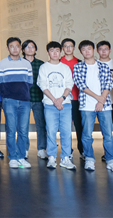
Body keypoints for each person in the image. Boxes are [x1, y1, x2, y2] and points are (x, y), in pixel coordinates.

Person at [73, 40, 113, 173]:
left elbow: (108, 83)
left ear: (93, 50)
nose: (87, 51)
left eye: (89, 48)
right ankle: (89, 159)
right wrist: (97, 98)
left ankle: (111, 160)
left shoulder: (103, 66)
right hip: (86, 105)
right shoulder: (78, 67)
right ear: (81, 52)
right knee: (87, 134)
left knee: (108, 134)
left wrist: (101, 100)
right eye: (84, 49)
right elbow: (81, 85)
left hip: (104, 105)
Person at [0, 37, 32, 169]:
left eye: (17, 46)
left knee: (23, 130)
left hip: (25, 101)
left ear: (20, 47)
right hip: (9, 101)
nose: (15, 49)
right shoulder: (2, 63)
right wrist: (7, 94)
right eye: (12, 46)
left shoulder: (26, 64)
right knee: (11, 130)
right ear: (7, 48)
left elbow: (30, 82)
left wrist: (22, 93)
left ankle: (21, 157)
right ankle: (13, 157)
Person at [37, 41, 75, 170]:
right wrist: (54, 100)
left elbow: (69, 84)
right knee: (51, 131)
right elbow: (43, 85)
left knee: (66, 132)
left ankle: (65, 158)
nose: (55, 53)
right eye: (52, 50)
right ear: (48, 52)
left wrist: (62, 98)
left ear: (60, 52)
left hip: (66, 104)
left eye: (57, 50)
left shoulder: (65, 68)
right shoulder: (44, 67)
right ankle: (52, 157)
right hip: (49, 104)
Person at [22, 39, 47, 160]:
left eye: (32, 47)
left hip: (38, 98)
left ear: (35, 49)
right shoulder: (19, 63)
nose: (30, 49)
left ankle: (41, 149)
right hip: (24, 99)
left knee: (41, 125)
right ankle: (24, 149)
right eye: (27, 47)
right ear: (23, 50)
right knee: (23, 126)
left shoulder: (41, 64)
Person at [60, 38, 83, 159]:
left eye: (70, 46)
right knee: (65, 127)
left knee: (80, 126)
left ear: (74, 48)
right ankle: (67, 150)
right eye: (65, 46)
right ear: (62, 48)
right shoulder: (58, 62)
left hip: (77, 98)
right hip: (63, 99)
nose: (68, 48)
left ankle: (82, 151)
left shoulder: (80, 62)